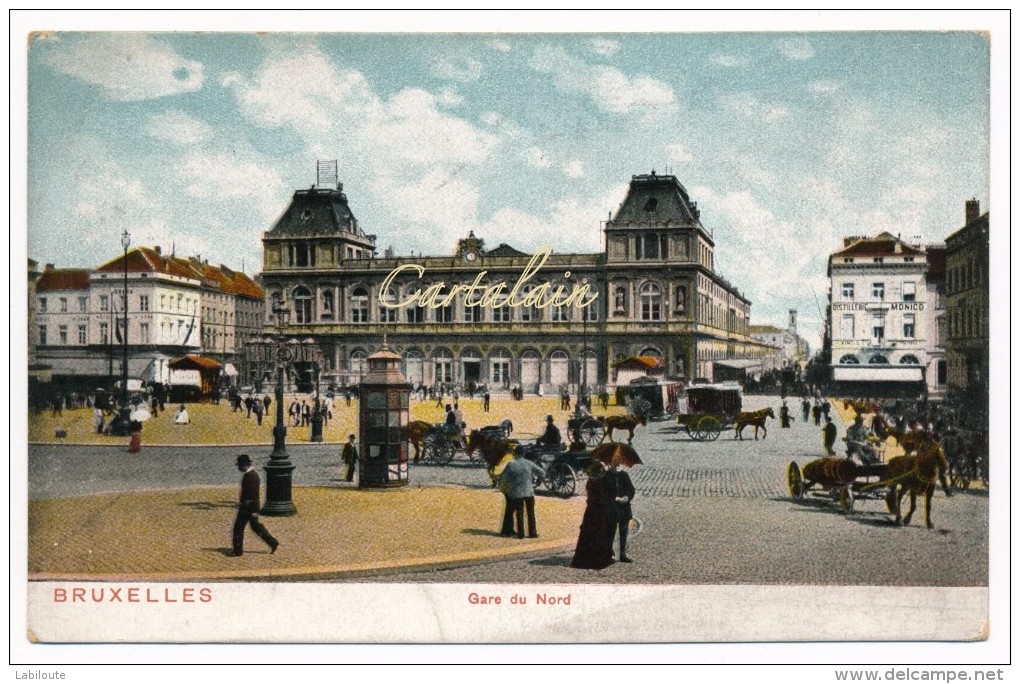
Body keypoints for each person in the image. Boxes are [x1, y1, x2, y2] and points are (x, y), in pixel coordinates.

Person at [231, 454, 278, 557]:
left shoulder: (250, 476)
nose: (239, 468)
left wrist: (249, 509)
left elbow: (251, 495)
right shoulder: (252, 475)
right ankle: (272, 542)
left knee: (238, 528)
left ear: (244, 465)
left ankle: (238, 551)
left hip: (248, 508)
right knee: (256, 527)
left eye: (240, 466)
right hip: (251, 507)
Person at [570, 461, 615, 569]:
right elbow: (611, 494)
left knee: (588, 535)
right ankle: (601, 559)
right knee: (602, 533)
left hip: (590, 511)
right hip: (602, 511)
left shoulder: (590, 482)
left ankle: (584, 559)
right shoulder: (603, 482)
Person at [499, 450, 544, 538]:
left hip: (517, 492)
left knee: (519, 513)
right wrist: (538, 481)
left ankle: (521, 534)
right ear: (524, 454)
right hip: (529, 492)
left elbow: (504, 478)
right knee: (531, 513)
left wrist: (508, 487)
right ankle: (533, 533)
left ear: (515, 454)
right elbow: (542, 472)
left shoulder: (511, 464)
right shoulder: (529, 463)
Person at [604, 461, 636, 562]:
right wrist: (614, 498)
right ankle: (610, 554)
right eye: (616, 464)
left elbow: (631, 490)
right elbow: (603, 492)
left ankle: (623, 554)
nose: (618, 466)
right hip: (612, 508)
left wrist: (626, 497)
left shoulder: (624, 475)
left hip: (624, 508)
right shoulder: (605, 476)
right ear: (611, 464)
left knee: (624, 531)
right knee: (611, 532)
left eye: (620, 464)